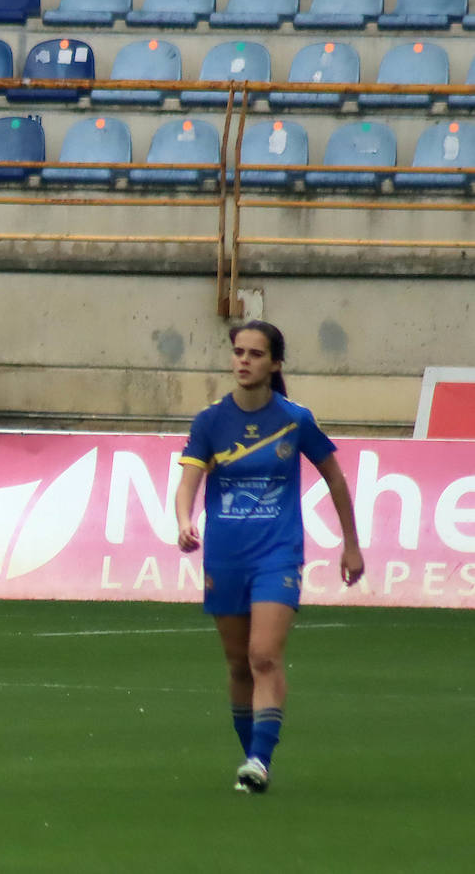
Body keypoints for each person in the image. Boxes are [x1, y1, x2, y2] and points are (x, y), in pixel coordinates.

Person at [174, 320, 364, 793]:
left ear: (275, 363)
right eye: (238, 352)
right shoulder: (210, 421)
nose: (243, 360)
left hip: (278, 553)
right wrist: (183, 521)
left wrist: (351, 543)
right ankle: (251, 758)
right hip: (225, 555)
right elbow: (188, 483)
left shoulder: (295, 419)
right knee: (238, 664)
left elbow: (335, 478)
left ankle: (260, 759)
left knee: (263, 655)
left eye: (255, 354)